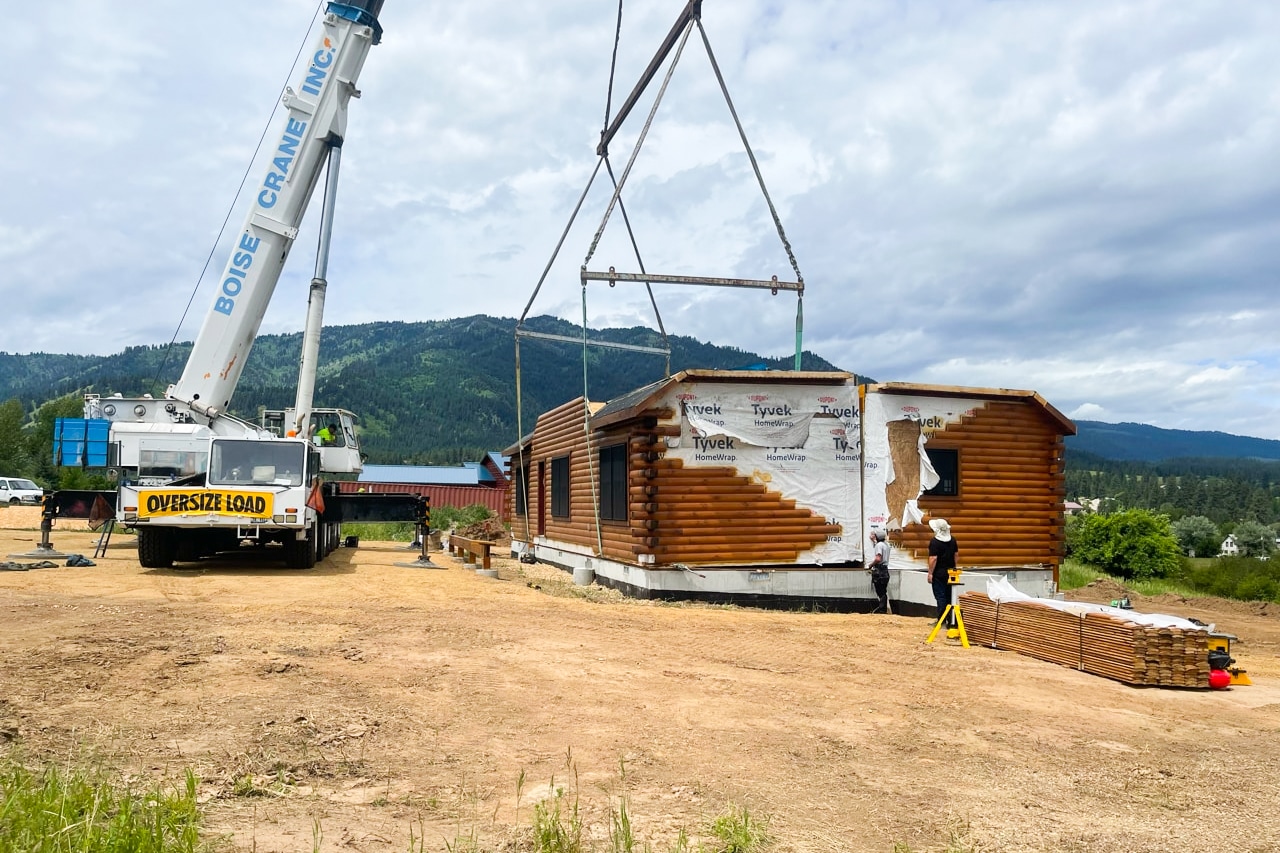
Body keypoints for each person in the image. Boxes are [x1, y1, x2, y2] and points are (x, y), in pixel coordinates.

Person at [928, 518, 959, 626]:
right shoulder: (953, 540)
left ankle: (941, 620)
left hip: (939, 573)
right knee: (949, 596)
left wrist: (930, 573)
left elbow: (933, 558)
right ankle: (951, 620)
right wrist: (954, 567)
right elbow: (956, 555)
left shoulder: (934, 542)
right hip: (951, 572)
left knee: (940, 596)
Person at [868, 529, 891, 613]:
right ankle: (883, 608)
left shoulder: (879, 545)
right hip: (885, 570)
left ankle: (882, 609)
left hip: (879, 570)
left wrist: (871, 565)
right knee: (883, 590)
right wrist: (874, 541)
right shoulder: (886, 545)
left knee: (880, 591)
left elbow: (878, 558)